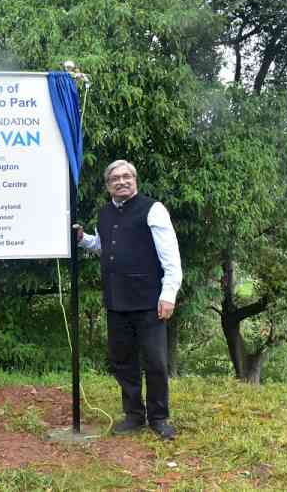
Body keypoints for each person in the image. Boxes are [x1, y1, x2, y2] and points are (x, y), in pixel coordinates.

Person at [76, 159, 182, 440]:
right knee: (123, 361)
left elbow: (171, 257)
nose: (121, 182)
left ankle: (159, 417)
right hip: (116, 300)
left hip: (149, 301)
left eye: (126, 177)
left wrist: (168, 294)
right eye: (115, 179)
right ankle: (134, 415)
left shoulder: (153, 209)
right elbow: (104, 247)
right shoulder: (105, 213)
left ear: (135, 180)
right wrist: (82, 238)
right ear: (108, 185)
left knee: (156, 362)